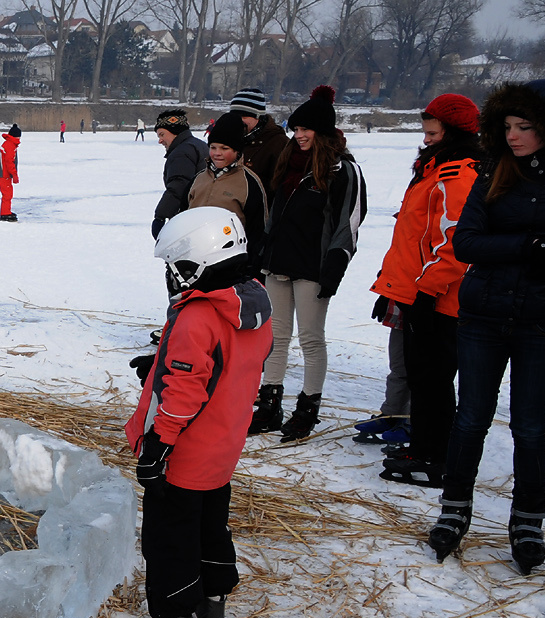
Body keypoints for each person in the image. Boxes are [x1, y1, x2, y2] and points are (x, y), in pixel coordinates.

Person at [428, 79, 545, 574]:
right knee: (471, 417)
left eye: (524, 126)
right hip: (483, 314)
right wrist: (527, 247)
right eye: (506, 125)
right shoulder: (494, 170)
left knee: (530, 424)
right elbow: (465, 243)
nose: (513, 136)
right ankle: (454, 509)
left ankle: (527, 519)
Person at [118, 209, 272, 618]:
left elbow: (186, 390)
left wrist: (159, 445)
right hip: (222, 449)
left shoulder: (197, 316)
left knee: (170, 539)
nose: (173, 275)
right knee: (209, 527)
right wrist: (161, 366)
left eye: (179, 265)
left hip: (184, 453)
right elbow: (226, 367)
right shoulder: (252, 304)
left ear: (202, 259)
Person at [364, 94, 483, 486]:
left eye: (433, 132)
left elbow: (454, 243)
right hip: (417, 292)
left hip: (438, 299)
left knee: (432, 381)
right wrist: (392, 286)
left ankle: (435, 456)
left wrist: (426, 293)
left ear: (454, 132)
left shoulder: (457, 174)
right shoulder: (434, 169)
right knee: (422, 377)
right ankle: (426, 445)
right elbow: (412, 237)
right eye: (425, 131)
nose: (426, 138)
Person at [249, 85, 367, 442]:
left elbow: (350, 222)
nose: (298, 135)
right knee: (276, 337)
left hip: (313, 267)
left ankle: (308, 408)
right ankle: (269, 405)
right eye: (295, 129)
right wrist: (263, 252)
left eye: (305, 129)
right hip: (278, 262)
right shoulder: (288, 163)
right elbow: (275, 213)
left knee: (311, 339)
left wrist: (336, 264)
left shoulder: (342, 170)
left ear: (323, 131)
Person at [187, 112, 268, 259]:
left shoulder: (249, 182)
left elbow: (257, 229)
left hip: (230, 259)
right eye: (213, 147)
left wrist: (249, 263)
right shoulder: (198, 179)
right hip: (195, 256)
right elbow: (182, 215)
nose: (217, 153)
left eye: (224, 148)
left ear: (237, 151)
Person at [151, 109, 208, 239]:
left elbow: (179, 186)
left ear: (175, 132)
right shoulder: (199, 145)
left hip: (189, 219)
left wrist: (160, 216)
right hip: (203, 215)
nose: (160, 140)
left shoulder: (181, 153)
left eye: (162, 134)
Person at [227, 88, 289, 193]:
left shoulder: (278, 143)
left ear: (258, 117)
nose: (238, 120)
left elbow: (279, 188)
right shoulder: (227, 140)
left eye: (244, 116)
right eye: (234, 116)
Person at [0, 123, 21, 222]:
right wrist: (14, 175)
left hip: (4, 174)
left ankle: (6, 211)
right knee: (7, 194)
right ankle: (5, 214)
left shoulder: (9, 143)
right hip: (4, 174)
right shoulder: (10, 145)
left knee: (7, 194)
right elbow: (9, 162)